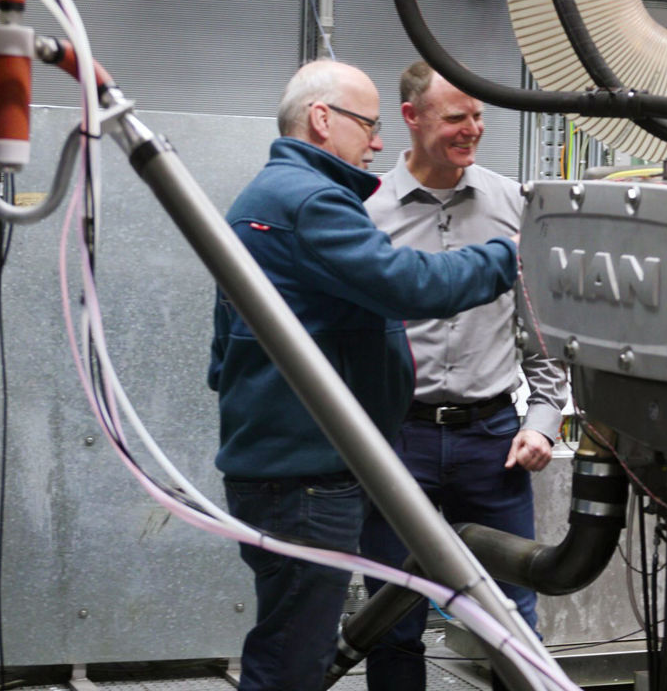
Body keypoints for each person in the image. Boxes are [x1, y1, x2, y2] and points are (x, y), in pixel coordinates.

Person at [207, 59, 520, 691]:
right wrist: (508, 254)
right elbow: (410, 285)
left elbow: (223, 359)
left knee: (294, 642)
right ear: (322, 120)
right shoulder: (311, 201)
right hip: (305, 477)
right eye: (368, 125)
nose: (376, 143)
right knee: (292, 660)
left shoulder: (271, 195)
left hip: (287, 467)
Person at [361, 61, 568, 691]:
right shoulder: (366, 213)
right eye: (456, 116)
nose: (471, 129)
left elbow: (543, 334)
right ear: (412, 117)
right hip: (399, 439)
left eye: (479, 116)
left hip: (493, 444)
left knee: (511, 617)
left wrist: (543, 421)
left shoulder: (514, 205)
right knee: (392, 620)